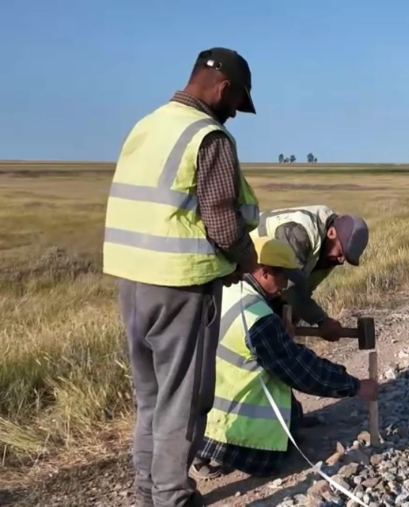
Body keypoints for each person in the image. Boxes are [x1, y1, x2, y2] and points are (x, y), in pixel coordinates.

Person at [103, 47, 260, 507]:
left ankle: (148, 492)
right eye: (237, 103)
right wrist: (246, 259)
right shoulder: (208, 136)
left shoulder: (148, 124)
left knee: (151, 397)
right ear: (224, 88)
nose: (235, 114)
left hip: (133, 281)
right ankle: (172, 496)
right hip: (180, 285)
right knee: (185, 399)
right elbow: (221, 220)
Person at [189, 236, 378, 479]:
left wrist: (281, 335)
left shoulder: (226, 290)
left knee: (291, 415)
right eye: (283, 277)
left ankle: (200, 450)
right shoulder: (258, 319)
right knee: (274, 456)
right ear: (265, 271)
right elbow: (301, 370)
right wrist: (355, 386)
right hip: (233, 429)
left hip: (198, 419)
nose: (286, 285)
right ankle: (222, 452)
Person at [251, 205, 369, 339]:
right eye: (341, 253)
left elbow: (303, 290)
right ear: (331, 233)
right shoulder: (300, 232)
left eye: (345, 257)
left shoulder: (329, 251)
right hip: (244, 267)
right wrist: (322, 320)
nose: (341, 261)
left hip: (267, 281)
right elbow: (290, 288)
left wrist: (291, 319)